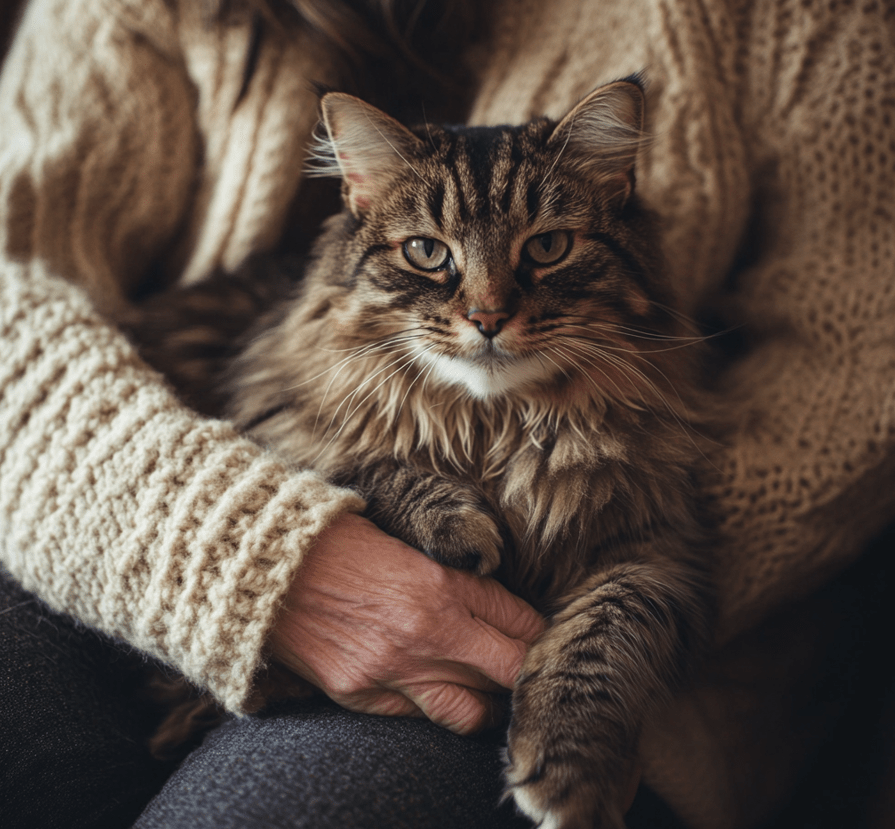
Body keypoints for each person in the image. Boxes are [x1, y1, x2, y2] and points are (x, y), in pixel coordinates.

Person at [0, 0, 893, 827]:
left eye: (545, 248)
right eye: (429, 253)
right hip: (117, 524)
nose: (487, 305)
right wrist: (264, 561)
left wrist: (593, 601)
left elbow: (860, 364)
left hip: (635, 686)